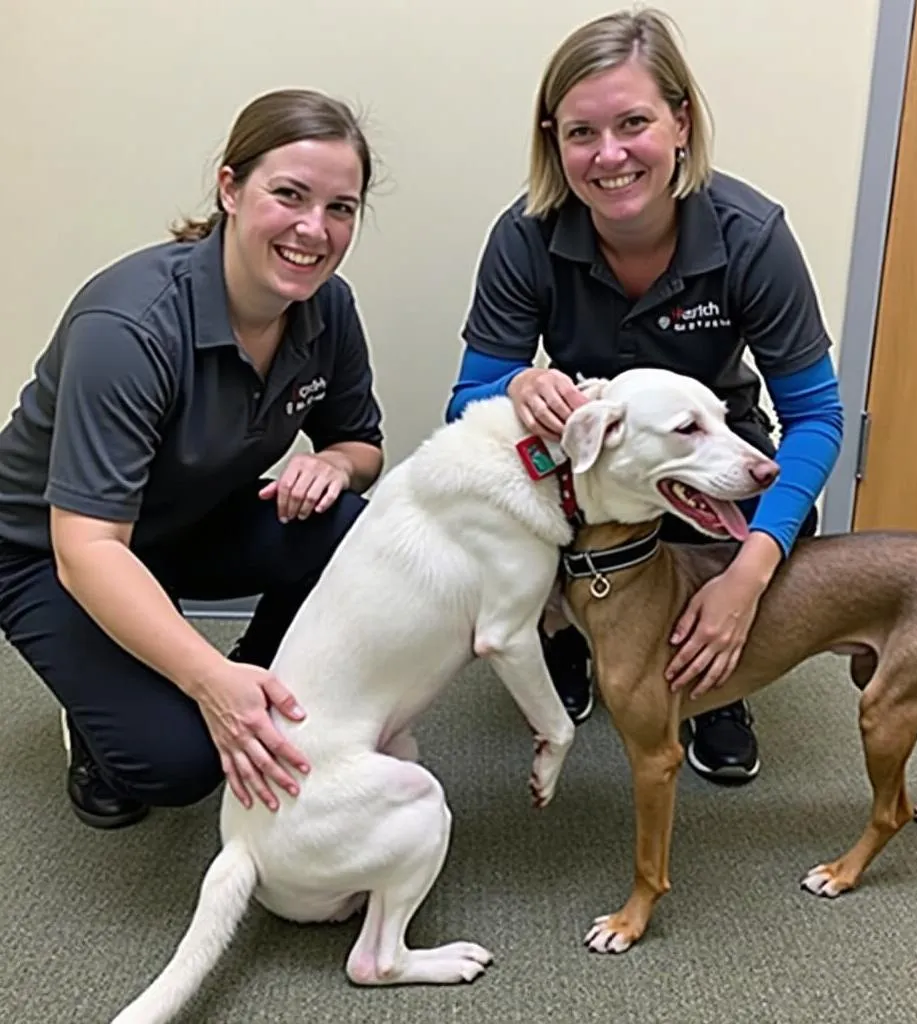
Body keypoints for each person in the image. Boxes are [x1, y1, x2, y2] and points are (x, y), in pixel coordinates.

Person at [445, 7, 844, 785]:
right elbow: (469, 399)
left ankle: (713, 675)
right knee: (495, 492)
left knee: (778, 511)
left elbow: (816, 417)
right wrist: (521, 384)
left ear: (682, 123)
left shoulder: (751, 235)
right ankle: (566, 636)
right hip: (593, 461)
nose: (610, 155)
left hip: (709, 445)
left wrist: (748, 576)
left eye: (634, 123)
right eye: (581, 133)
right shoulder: (525, 235)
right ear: (554, 142)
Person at [0, 88, 386, 829]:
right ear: (231, 188)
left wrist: (335, 465)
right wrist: (206, 680)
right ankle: (109, 716)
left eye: (341, 208)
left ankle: (263, 680)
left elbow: (362, 445)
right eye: (290, 195)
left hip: (190, 521)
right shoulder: (129, 327)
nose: (315, 229)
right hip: (48, 553)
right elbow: (86, 551)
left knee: (356, 524)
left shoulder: (328, 307)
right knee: (175, 765)